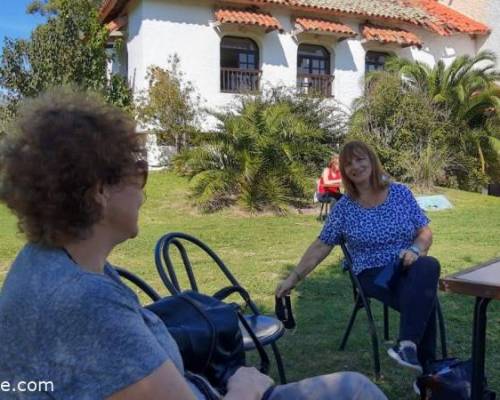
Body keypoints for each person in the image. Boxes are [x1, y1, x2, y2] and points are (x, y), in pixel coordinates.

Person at [0, 89, 387, 400]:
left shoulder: (44, 262)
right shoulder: (85, 302)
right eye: (138, 177)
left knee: (353, 387)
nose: (143, 195)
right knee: (356, 391)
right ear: (99, 191)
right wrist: (244, 388)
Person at [276, 140, 441, 376]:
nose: (355, 166)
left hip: (405, 265)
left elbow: (424, 231)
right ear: (344, 172)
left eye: (360, 159)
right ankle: (429, 375)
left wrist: (415, 250)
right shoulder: (344, 208)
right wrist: (292, 278)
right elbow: (322, 244)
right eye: (348, 163)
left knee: (428, 265)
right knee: (424, 298)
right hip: (370, 272)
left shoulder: (400, 193)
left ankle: (408, 346)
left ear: (372, 161)